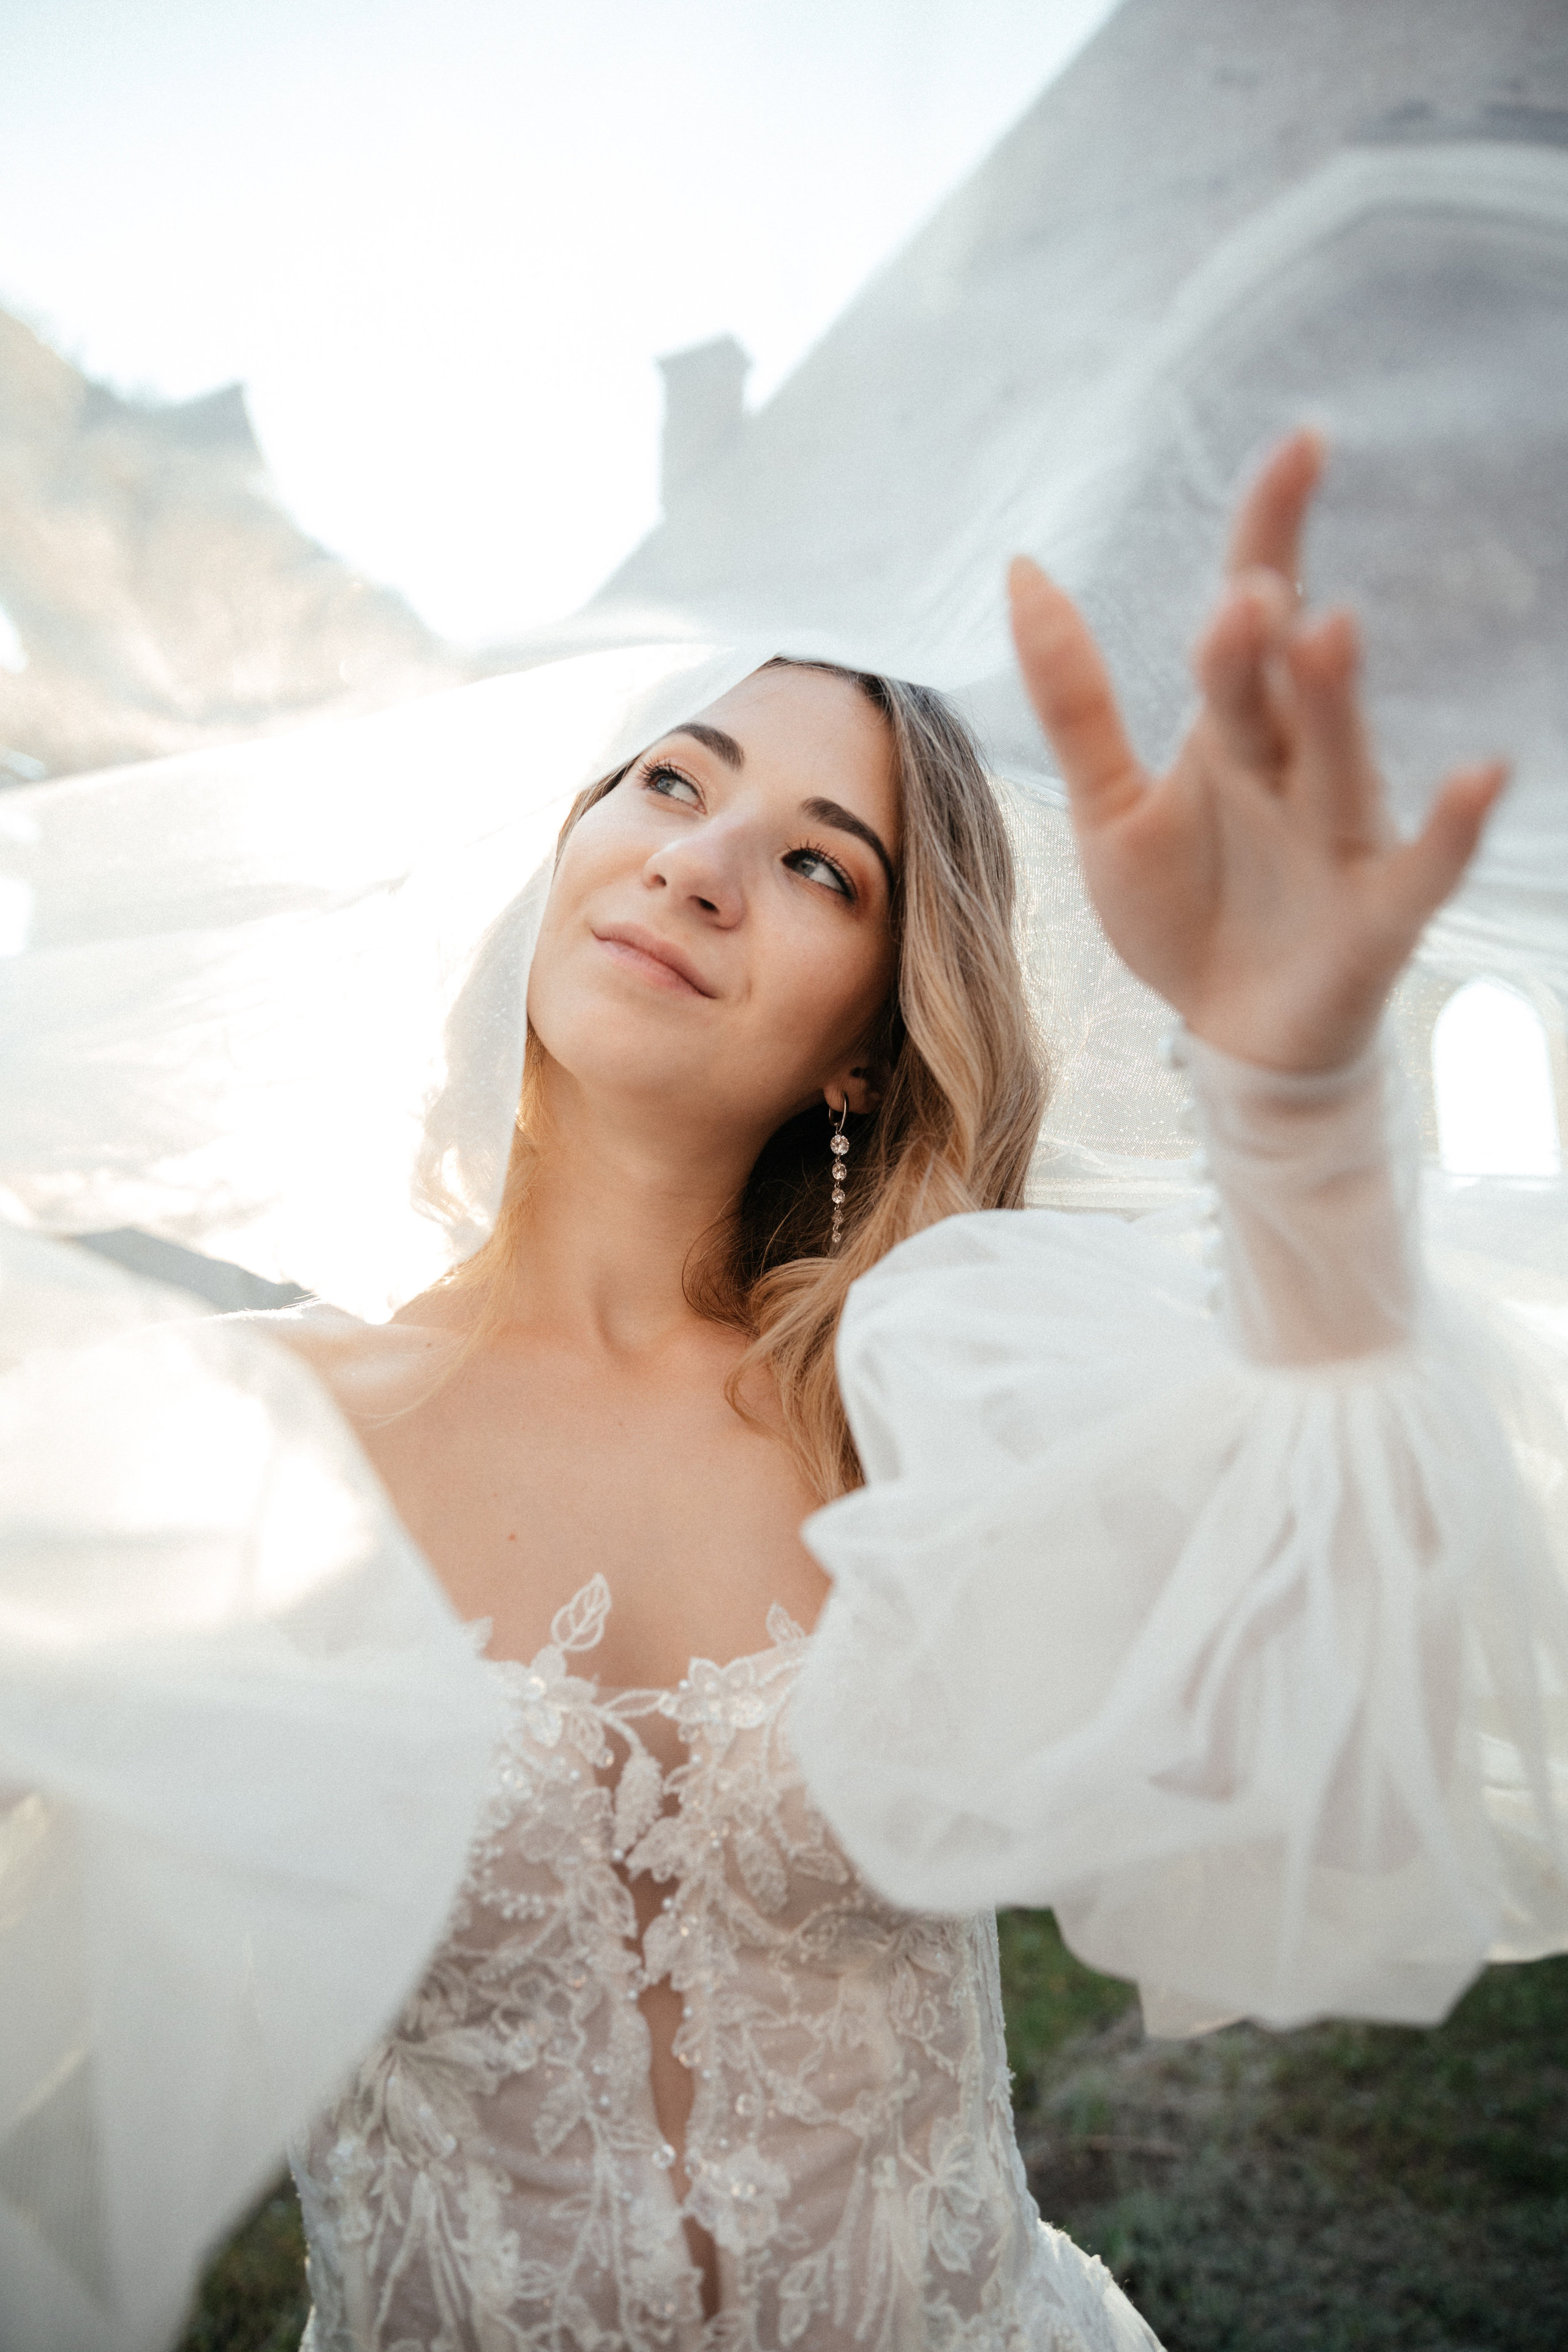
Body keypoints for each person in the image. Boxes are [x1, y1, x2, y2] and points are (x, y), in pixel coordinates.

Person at [252, 430, 1532, 2351]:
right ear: (568, 842)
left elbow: (1334, 1721)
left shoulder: (909, 1405)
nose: (701, 862)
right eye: (672, 777)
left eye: (816, 865)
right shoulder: (261, 1435)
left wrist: (1291, 1094)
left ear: (868, 1043)